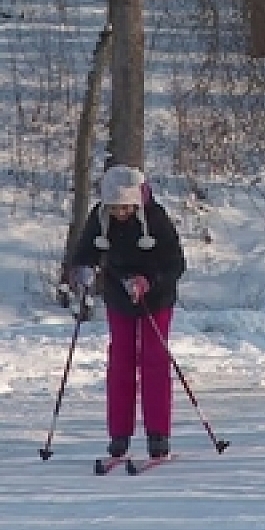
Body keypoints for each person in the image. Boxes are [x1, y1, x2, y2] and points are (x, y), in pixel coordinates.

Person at [70, 164, 186, 458]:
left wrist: (149, 281)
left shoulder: (156, 218)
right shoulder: (100, 216)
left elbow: (175, 262)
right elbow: (86, 250)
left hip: (155, 297)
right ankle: (119, 435)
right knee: (121, 360)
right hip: (118, 294)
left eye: (125, 207)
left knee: (154, 359)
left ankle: (158, 433)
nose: (120, 213)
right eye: (114, 208)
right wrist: (83, 269)